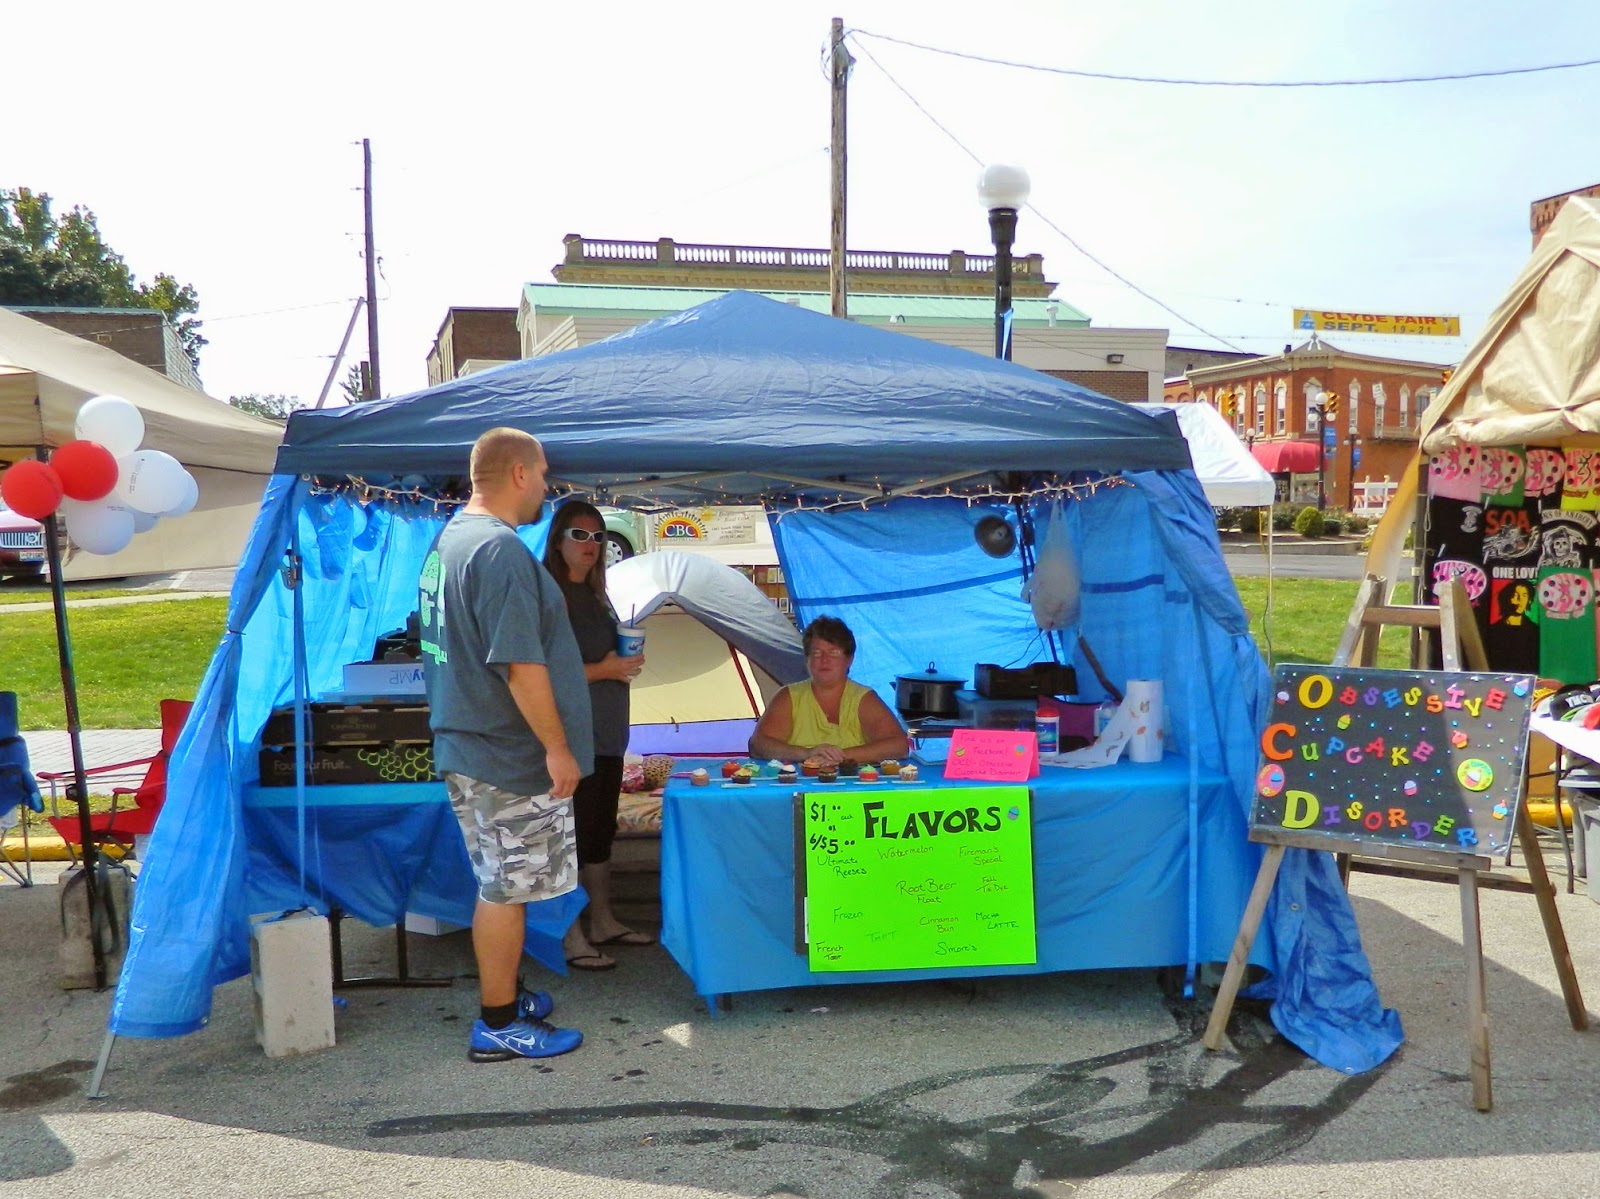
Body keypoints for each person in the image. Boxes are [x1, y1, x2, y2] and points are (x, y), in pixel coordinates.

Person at [418, 427, 593, 1063]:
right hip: (503, 753)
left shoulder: (450, 542)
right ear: (519, 474)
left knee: (501, 879)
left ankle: (507, 996)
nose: (548, 486)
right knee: (505, 888)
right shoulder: (498, 552)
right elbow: (520, 664)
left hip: (474, 743)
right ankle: (496, 1023)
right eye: (544, 474)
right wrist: (557, 748)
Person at [541, 499, 655, 972]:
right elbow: (541, 674)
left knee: (598, 832)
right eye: (579, 536)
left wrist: (621, 665)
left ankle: (603, 920)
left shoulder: (595, 593)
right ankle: (570, 936)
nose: (591, 546)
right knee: (571, 835)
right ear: (558, 541)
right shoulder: (549, 596)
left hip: (607, 733)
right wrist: (606, 668)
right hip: (571, 737)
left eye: (598, 537)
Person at [749, 615, 910, 765]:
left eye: (833, 653)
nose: (824, 660)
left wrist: (839, 757)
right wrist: (807, 754)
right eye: (817, 653)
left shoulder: (863, 699)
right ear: (807, 660)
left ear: (849, 659)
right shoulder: (789, 697)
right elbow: (759, 745)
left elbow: (898, 746)